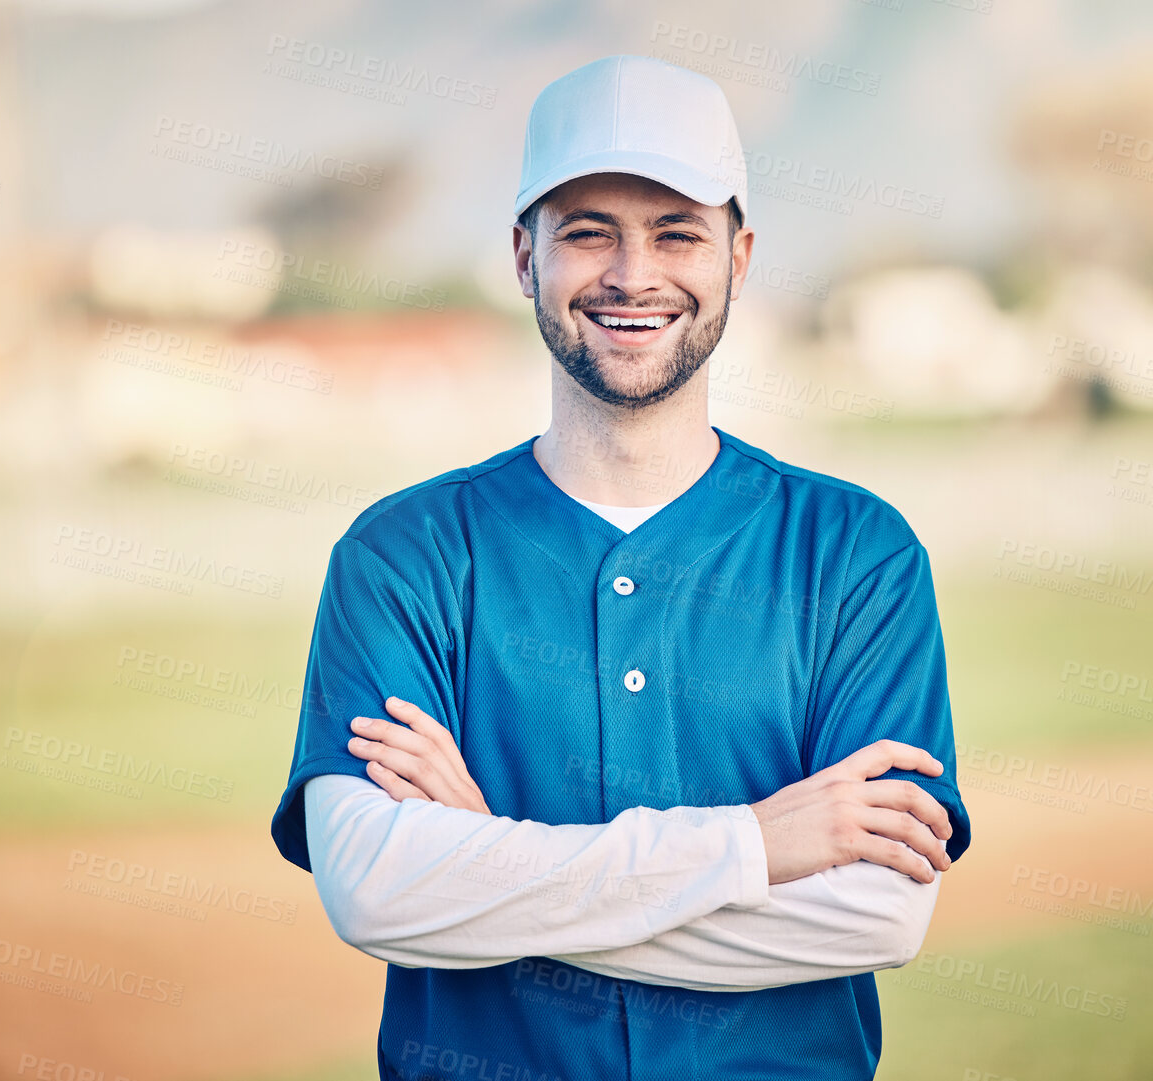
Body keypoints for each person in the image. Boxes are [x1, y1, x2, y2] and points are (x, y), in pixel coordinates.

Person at [268, 54, 971, 1081]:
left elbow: (875, 915)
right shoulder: (402, 553)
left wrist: (490, 857)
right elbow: (377, 889)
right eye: (588, 230)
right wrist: (751, 846)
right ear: (523, 256)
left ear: (740, 255)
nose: (633, 275)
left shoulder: (858, 554)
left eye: (676, 231)